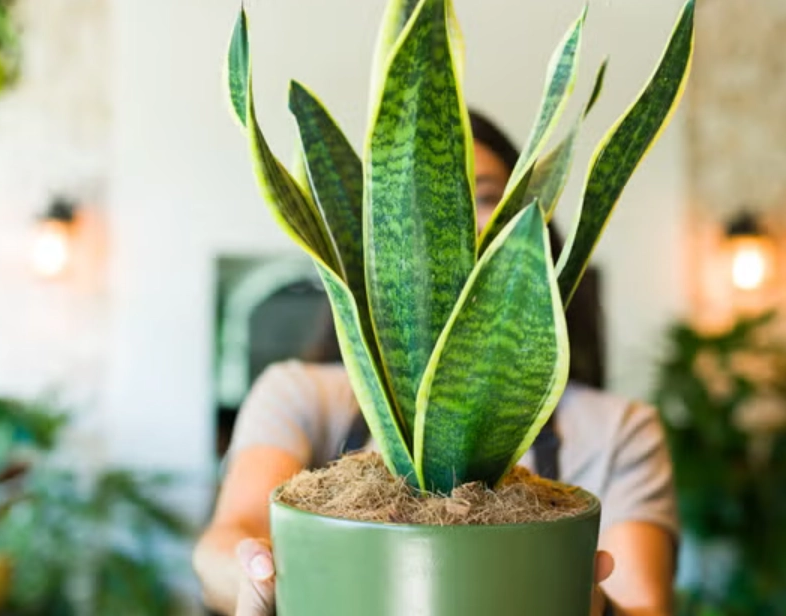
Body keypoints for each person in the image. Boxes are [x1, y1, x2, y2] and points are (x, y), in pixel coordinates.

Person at [193, 111, 679, 616]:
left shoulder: (618, 429)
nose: (457, 221)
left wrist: (580, 598)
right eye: (425, 207)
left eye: (487, 196)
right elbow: (226, 542)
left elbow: (644, 604)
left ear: (535, 232)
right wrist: (263, 579)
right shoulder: (300, 392)